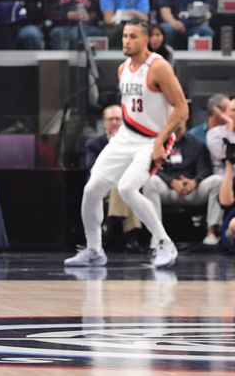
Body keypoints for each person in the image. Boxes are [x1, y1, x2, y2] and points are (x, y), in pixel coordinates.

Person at [65, 20, 187, 269]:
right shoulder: (123, 69)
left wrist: (160, 143)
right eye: (124, 36)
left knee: (128, 188)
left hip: (152, 139)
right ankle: (94, 250)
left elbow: (182, 108)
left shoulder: (158, 67)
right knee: (91, 191)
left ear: (145, 40)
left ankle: (164, 243)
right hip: (126, 136)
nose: (126, 41)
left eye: (132, 36)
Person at [142, 118, 223, 246]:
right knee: (150, 181)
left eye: (179, 120)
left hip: (192, 190)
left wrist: (195, 182)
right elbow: (153, 168)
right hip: (168, 189)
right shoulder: (159, 144)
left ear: (185, 119)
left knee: (217, 181)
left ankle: (212, 233)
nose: (177, 124)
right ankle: (157, 236)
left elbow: (205, 169)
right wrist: (171, 182)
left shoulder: (197, 144)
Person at [86, 105, 144, 251]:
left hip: (125, 184)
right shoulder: (94, 144)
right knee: (123, 187)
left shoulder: (134, 143)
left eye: (118, 119)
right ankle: (130, 236)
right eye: (110, 119)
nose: (114, 123)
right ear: (104, 123)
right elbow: (92, 166)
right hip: (101, 186)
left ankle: (109, 224)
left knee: (123, 187)